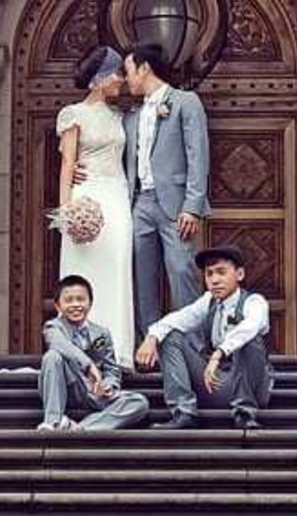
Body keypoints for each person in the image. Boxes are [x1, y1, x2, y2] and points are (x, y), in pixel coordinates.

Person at [120, 44, 211, 333]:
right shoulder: (131, 115)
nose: (126, 79)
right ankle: (149, 347)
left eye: (128, 71)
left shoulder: (185, 102)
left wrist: (192, 207)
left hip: (176, 205)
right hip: (139, 205)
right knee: (142, 278)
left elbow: (198, 155)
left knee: (182, 273)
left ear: (144, 67)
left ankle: (192, 351)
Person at [135, 246, 272, 430]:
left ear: (239, 274)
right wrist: (152, 337)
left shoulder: (254, 302)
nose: (215, 280)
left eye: (221, 272)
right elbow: (178, 319)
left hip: (252, 389)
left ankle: (244, 414)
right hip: (215, 384)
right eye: (209, 274)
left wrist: (219, 353)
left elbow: (252, 325)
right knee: (170, 336)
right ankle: (184, 413)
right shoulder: (208, 301)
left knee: (251, 341)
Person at [55, 46, 135, 350]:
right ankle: (79, 346)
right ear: (100, 79)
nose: (122, 81)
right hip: (87, 196)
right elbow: (67, 165)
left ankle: (117, 348)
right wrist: (66, 212)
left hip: (117, 197)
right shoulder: (74, 114)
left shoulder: (120, 116)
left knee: (117, 266)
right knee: (86, 269)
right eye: (117, 74)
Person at [37, 274, 149, 432]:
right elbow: (58, 344)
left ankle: (80, 428)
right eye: (69, 300)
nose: (75, 305)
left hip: (92, 393)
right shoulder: (53, 327)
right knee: (52, 356)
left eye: (80, 299)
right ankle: (52, 421)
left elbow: (112, 369)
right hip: (65, 386)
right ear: (58, 306)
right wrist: (89, 366)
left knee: (139, 402)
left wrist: (108, 386)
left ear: (90, 303)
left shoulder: (102, 333)